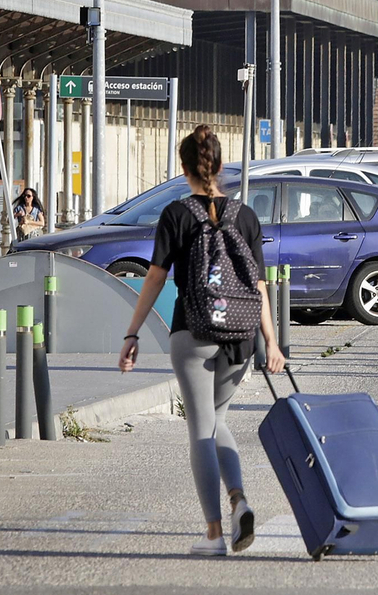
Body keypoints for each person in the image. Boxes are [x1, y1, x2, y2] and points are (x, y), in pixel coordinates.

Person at [119, 124, 285, 557]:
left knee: (200, 430)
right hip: (241, 338)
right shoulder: (245, 216)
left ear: (185, 168)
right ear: (220, 164)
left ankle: (214, 534)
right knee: (219, 421)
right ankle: (238, 500)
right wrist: (272, 341)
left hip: (192, 333)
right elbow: (260, 285)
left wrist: (133, 332)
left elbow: (155, 277)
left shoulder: (176, 215)